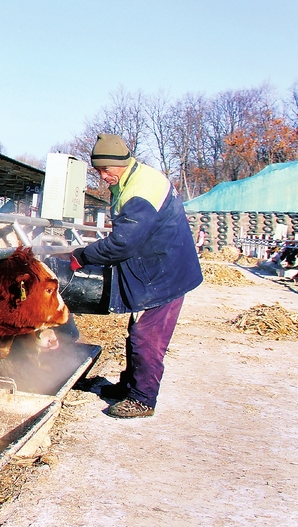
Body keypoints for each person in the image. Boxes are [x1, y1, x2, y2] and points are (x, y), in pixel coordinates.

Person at [71, 134, 203, 418]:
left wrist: (81, 256)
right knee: (138, 329)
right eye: (98, 171)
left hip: (165, 273)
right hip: (159, 265)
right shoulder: (132, 177)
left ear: (122, 162)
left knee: (147, 335)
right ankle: (130, 386)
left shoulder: (141, 189)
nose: (103, 176)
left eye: (107, 170)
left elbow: (123, 242)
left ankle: (142, 399)